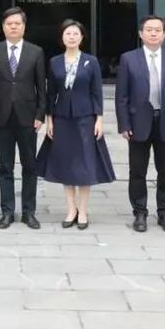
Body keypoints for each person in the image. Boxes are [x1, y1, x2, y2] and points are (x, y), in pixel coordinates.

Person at [114, 15, 165, 233]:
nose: (153, 33)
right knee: (137, 171)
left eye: (157, 30)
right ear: (141, 34)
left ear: (164, 35)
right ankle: (140, 212)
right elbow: (121, 96)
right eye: (149, 29)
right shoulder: (129, 59)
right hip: (138, 122)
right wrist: (124, 124)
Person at [39, 19, 114, 230]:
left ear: (82, 37)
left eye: (75, 34)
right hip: (62, 118)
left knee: (84, 164)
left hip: (85, 118)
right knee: (66, 163)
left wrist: (99, 119)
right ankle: (70, 209)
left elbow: (97, 92)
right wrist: (49, 120)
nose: (71, 37)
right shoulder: (54, 62)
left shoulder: (91, 61)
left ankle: (83, 210)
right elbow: (51, 93)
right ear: (62, 37)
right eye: (68, 34)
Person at [0, 7, 46, 229]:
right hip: (1, 117)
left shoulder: (35, 52)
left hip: (28, 117)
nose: (13, 27)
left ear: (24, 27)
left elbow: (41, 87)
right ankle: (7, 212)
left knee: (30, 166)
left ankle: (29, 212)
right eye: (9, 24)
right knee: (5, 166)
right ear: (3, 27)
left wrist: (40, 114)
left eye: (17, 23)